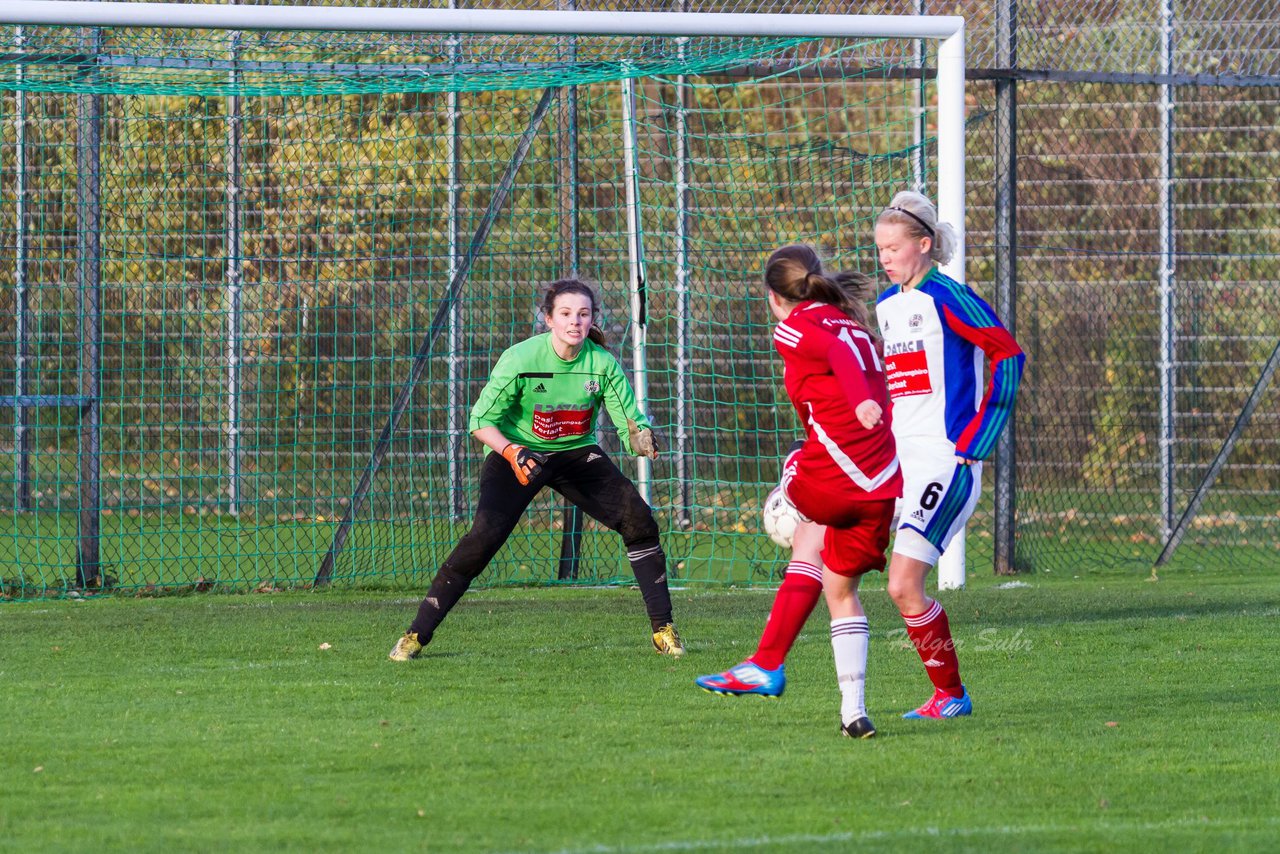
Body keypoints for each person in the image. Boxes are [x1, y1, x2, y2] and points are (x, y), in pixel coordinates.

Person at [389, 279, 684, 661]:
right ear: (548, 319)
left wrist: (641, 437)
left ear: (592, 318)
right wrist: (513, 451)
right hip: (518, 453)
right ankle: (415, 634)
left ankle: (663, 630)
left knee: (639, 520)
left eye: (583, 313)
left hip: (576, 454)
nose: (575, 322)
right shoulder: (521, 360)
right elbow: (480, 421)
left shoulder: (602, 363)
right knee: (483, 539)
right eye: (565, 313)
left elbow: (629, 420)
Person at [695, 246, 901, 739]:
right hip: (881, 484)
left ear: (774, 297)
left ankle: (767, 664)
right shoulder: (851, 322)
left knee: (793, 469)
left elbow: (834, 357)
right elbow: (847, 353)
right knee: (838, 586)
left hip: (835, 471)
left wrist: (860, 403)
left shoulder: (795, 323)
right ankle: (854, 711)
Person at [874, 190, 1025, 719]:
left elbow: (1007, 353)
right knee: (834, 561)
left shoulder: (949, 297)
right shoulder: (888, 306)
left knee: (903, 584)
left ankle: (951, 696)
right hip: (898, 466)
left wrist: (978, 441)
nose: (885, 257)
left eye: (894, 247)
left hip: (947, 463)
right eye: (880, 248)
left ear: (924, 244)